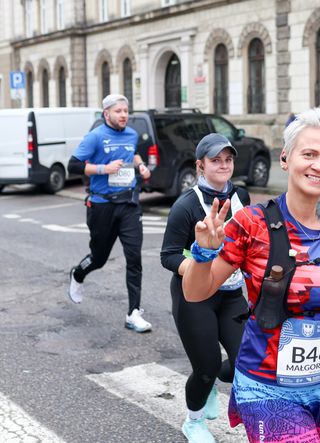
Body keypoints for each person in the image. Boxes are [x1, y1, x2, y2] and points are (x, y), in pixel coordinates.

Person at [182, 108, 320, 442]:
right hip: (266, 385)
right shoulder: (251, 224)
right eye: (309, 154)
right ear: (285, 159)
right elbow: (196, 292)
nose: (318, 165)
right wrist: (204, 253)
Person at [161, 133, 250, 443]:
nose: (223, 165)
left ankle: (211, 379)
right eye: (215, 160)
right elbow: (168, 255)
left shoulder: (242, 196)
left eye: (228, 159)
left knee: (247, 363)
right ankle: (194, 421)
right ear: (200, 165)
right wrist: (201, 271)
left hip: (231, 295)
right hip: (194, 297)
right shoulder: (185, 205)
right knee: (205, 367)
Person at [67, 94, 152, 333]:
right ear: (107, 114)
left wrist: (140, 164)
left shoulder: (132, 135)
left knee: (134, 257)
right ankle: (78, 273)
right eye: (118, 111)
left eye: (126, 111)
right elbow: (73, 165)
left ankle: (133, 313)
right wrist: (104, 168)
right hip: (102, 205)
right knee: (99, 258)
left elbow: (132, 153)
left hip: (129, 205)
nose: (124, 115)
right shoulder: (95, 137)